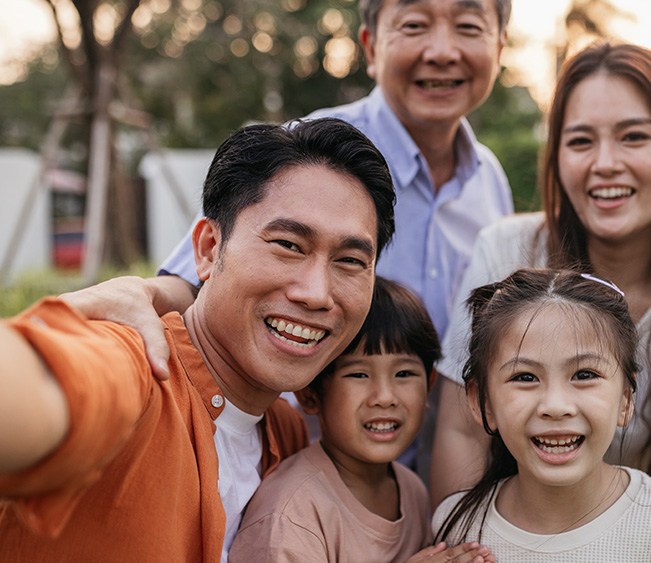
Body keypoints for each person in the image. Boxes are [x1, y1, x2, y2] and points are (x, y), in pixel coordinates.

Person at [65, 0, 515, 475]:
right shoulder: (314, 153)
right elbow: (203, 279)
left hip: (415, 489)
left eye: (468, 26)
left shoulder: (490, 183)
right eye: (414, 25)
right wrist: (138, 291)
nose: (442, 51)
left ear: (500, 46)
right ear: (371, 46)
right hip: (282, 471)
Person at [0, 119, 397, 563]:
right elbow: (30, 399)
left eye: (350, 260)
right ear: (207, 249)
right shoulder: (136, 365)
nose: (316, 293)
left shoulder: (285, 430)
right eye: (288, 245)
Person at [430, 42, 651, 543]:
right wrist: (465, 550)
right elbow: (463, 430)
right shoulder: (506, 251)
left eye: (633, 136)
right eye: (580, 141)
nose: (605, 163)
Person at [432, 268, 651, 561]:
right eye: (525, 377)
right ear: (482, 402)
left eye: (584, 374)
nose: (556, 406)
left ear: (626, 399)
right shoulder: (458, 529)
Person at [229, 277, 493, 563]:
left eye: (404, 374)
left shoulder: (410, 488)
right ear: (310, 395)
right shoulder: (291, 515)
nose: (384, 397)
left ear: (429, 387)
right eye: (358, 374)